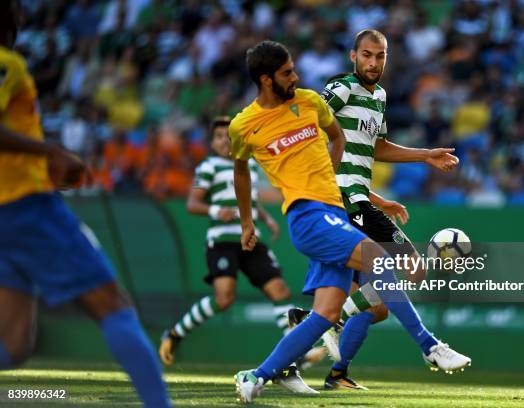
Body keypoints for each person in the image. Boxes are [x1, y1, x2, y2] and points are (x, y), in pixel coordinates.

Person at [229, 40, 470, 404]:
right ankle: (429, 345)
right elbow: (242, 172)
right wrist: (247, 222)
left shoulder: (309, 102)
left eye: (294, 69)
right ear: (265, 80)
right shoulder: (243, 125)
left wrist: (344, 184)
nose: (296, 76)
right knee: (382, 261)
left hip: (334, 211)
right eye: (287, 73)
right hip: (307, 215)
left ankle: (257, 375)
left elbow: (338, 138)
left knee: (324, 314)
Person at [0, 2, 170, 407]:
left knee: (15, 342)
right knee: (113, 305)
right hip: (23, 208)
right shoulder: (7, 63)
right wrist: (50, 151)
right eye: (14, 9)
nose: (22, 17)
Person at [309, 29, 466, 390]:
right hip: (343, 201)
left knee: (376, 305)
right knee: (412, 267)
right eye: (366, 55)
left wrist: (424, 156)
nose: (373, 62)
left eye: (380, 56)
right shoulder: (342, 88)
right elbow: (310, 122)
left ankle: (336, 370)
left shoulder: (378, 96)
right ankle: (430, 346)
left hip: (360, 198)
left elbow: (374, 149)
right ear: (353, 56)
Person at [158, 116, 324, 393]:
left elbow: (249, 201)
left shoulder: (249, 166)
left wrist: (266, 219)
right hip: (222, 241)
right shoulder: (207, 167)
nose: (225, 141)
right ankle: (174, 333)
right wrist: (215, 212)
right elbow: (192, 203)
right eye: (219, 137)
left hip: (250, 239)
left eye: (229, 137)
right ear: (212, 143)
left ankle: (295, 355)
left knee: (279, 290)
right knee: (224, 299)